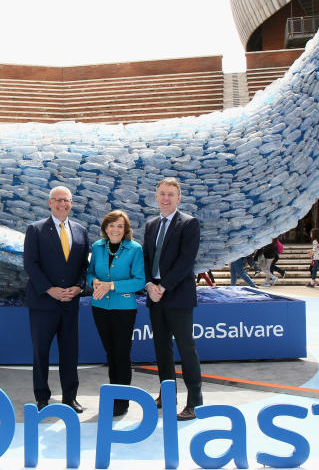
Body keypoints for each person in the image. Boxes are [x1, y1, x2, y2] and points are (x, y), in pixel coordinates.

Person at [23, 186, 89, 412]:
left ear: (72, 203)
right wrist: (49, 289)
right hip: (43, 303)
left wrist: (79, 287)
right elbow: (30, 264)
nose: (63, 204)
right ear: (50, 203)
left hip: (70, 304)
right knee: (41, 352)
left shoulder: (80, 231)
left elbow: (84, 267)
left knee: (70, 352)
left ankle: (70, 397)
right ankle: (42, 397)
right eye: (58, 200)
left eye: (67, 200)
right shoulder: (35, 229)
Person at [143, 177, 202, 421]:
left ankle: (194, 401)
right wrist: (149, 285)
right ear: (156, 196)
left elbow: (186, 261)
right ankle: (167, 394)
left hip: (177, 295)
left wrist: (164, 286)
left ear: (178, 198)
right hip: (155, 296)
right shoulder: (151, 224)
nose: (165, 198)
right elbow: (146, 259)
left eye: (170, 194)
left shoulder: (189, 223)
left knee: (186, 349)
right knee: (162, 350)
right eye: (162, 193)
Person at [86, 210, 145, 417]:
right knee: (110, 353)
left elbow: (139, 280)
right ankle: (114, 397)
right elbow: (90, 272)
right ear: (105, 228)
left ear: (126, 229)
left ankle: (122, 403)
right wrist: (93, 281)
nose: (115, 229)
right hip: (100, 307)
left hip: (124, 309)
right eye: (112, 225)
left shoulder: (135, 249)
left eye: (120, 226)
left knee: (121, 354)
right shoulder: (97, 247)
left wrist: (111, 285)